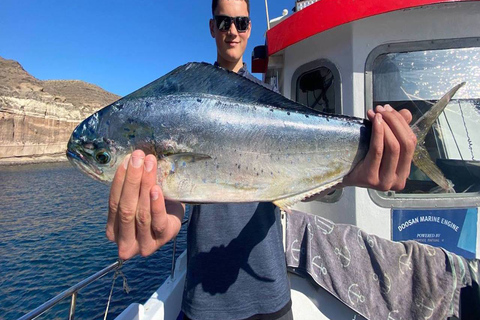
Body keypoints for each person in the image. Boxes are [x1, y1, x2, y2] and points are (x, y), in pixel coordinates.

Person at [105, 0, 417, 319]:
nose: (232, 31)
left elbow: (292, 172)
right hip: (204, 295)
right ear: (212, 27)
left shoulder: (272, 101)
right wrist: (163, 203)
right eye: (224, 22)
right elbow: (180, 182)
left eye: (240, 23)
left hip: (270, 289)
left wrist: (354, 172)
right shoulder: (182, 106)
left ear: (249, 28)